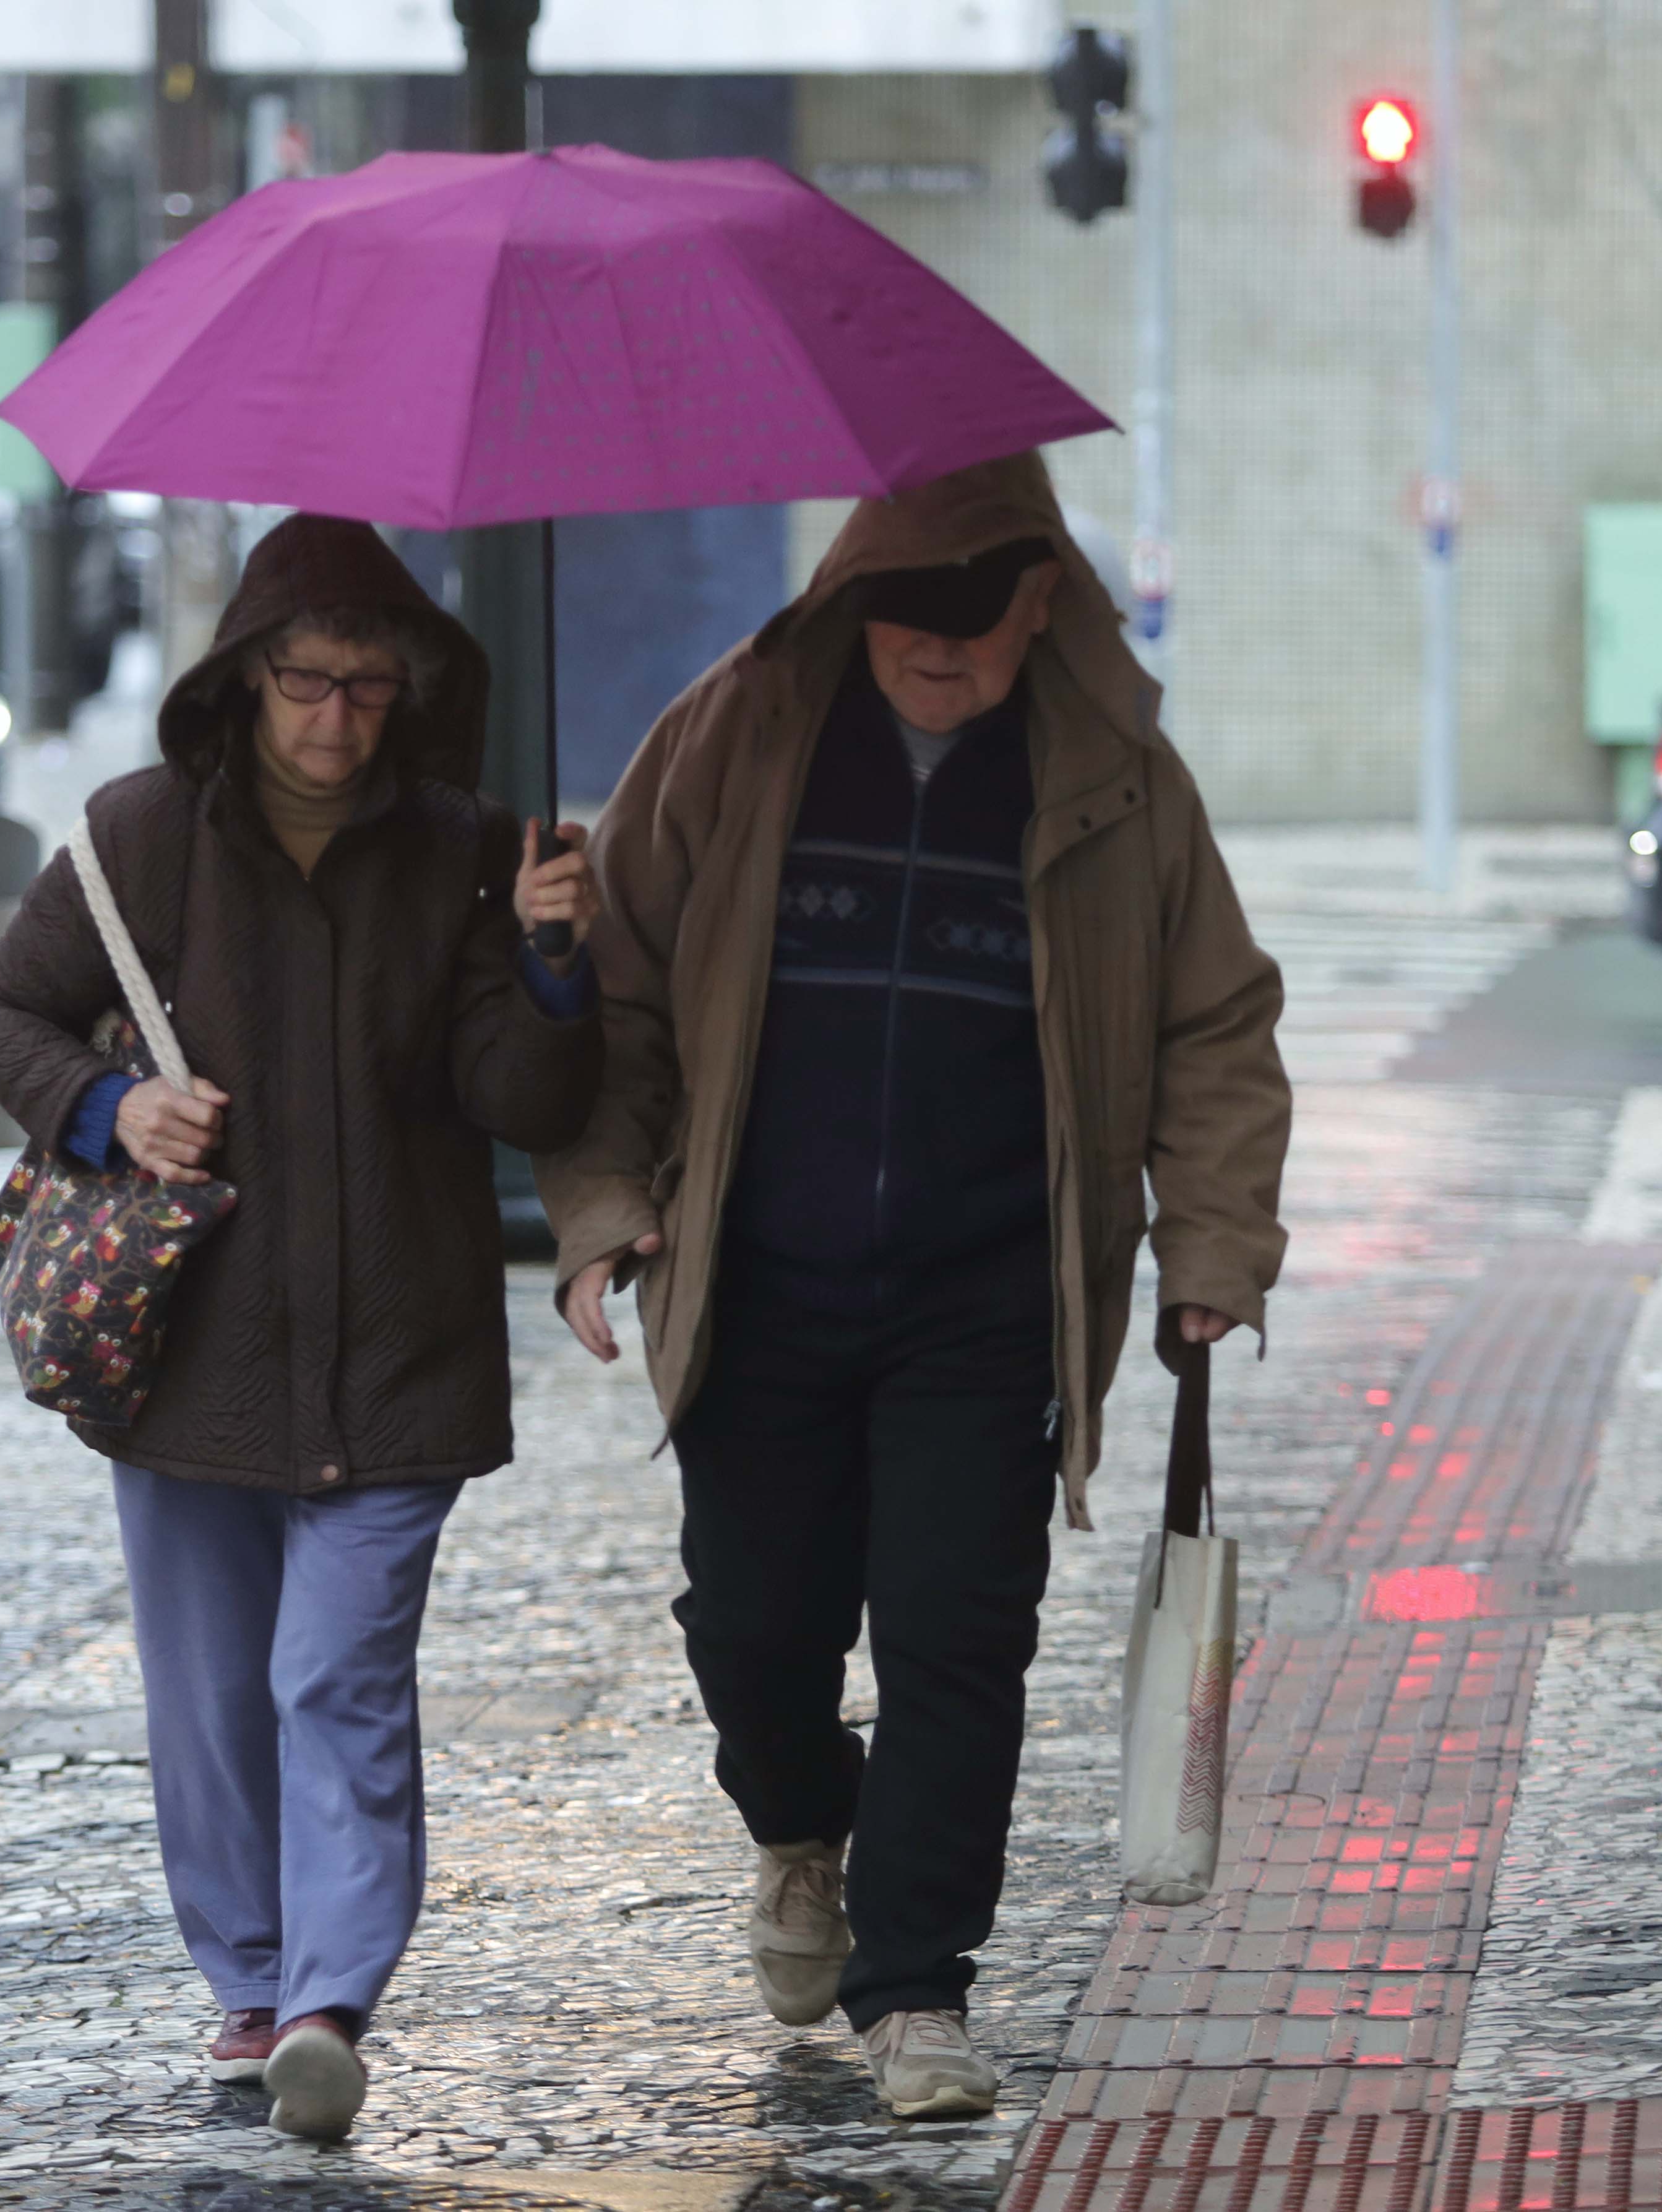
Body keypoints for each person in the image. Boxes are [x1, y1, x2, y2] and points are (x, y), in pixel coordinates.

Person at [536, 452, 1290, 2120]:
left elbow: (1212, 1024)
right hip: (758, 1275)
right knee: (753, 1630)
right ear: (851, 602)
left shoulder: (1117, 781)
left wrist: (1211, 1246)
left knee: (960, 1640)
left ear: (1045, 603)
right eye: (902, 632)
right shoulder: (732, 738)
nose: (935, 663)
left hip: (989, 1292)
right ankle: (801, 1832)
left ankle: (915, 1989)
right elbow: (626, 996)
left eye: (973, 633)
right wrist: (602, 1208)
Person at [0, 514, 602, 2143]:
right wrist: (109, 1106)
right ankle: (249, 1980)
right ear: (244, 682)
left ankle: (328, 1997)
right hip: (193, 1353)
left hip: (399, 1348)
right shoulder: (142, 835)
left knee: (337, 1675)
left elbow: (518, 1098)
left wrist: (546, 962)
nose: (337, 718)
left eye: (372, 688)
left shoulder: (465, 847)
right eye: (308, 683)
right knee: (208, 1694)